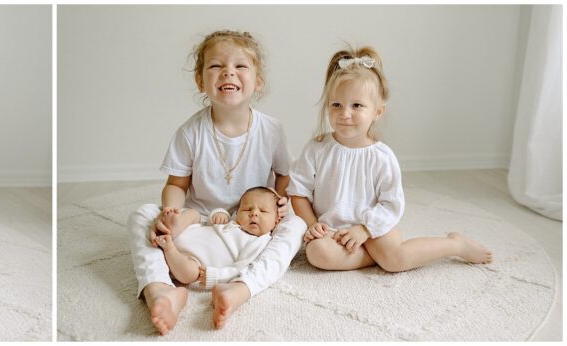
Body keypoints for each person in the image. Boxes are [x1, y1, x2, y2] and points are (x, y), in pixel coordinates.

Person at [125, 30, 307, 335]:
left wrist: (280, 198)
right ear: (201, 82)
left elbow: (284, 177)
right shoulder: (190, 132)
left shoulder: (272, 130)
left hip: (250, 229)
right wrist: (170, 214)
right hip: (199, 231)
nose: (228, 72)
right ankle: (160, 290)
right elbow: (176, 184)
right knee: (142, 216)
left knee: (296, 224)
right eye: (216, 66)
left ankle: (241, 288)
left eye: (240, 66)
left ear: (258, 81)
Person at [289, 45, 492, 273]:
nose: (345, 113)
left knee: (396, 260)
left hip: (373, 227)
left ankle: (455, 244)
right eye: (336, 105)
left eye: (357, 105)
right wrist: (314, 225)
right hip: (331, 230)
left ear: (377, 112)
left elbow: (391, 204)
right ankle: (374, 257)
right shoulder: (317, 148)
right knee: (317, 254)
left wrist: (365, 230)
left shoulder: (382, 157)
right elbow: (299, 192)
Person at [154, 187, 283, 289]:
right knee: (194, 214)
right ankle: (172, 228)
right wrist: (218, 214)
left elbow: (240, 269)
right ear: (238, 212)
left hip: (191, 259)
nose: (254, 213)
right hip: (189, 231)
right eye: (247, 209)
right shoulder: (236, 222)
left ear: (277, 220)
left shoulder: (260, 242)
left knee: (190, 274)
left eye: (263, 211)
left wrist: (215, 276)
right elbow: (212, 222)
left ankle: (169, 248)